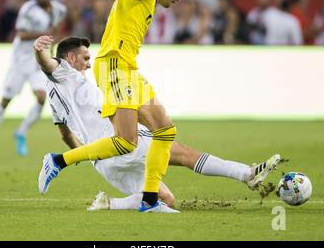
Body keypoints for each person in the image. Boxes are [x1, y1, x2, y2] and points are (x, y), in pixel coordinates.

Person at [33, 35, 281, 210]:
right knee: (184, 154)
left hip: (103, 162)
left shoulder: (55, 95)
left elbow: (65, 135)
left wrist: (84, 154)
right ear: (69, 58)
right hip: (120, 141)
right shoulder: (65, 72)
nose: (89, 63)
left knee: (165, 198)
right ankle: (246, 174)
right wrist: (39, 50)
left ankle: (110, 205)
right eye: (85, 57)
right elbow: (48, 64)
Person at [37, 0, 190, 213]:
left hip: (127, 67)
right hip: (115, 64)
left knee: (165, 131)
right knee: (126, 141)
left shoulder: (148, 1)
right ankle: (59, 161)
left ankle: (149, 200)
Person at [0, 0, 67, 159]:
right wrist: (43, 33)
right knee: (5, 101)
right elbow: (21, 34)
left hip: (39, 61)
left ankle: (21, 131)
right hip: (20, 61)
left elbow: (54, 33)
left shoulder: (59, 10)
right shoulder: (28, 9)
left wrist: (54, 52)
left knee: (42, 98)